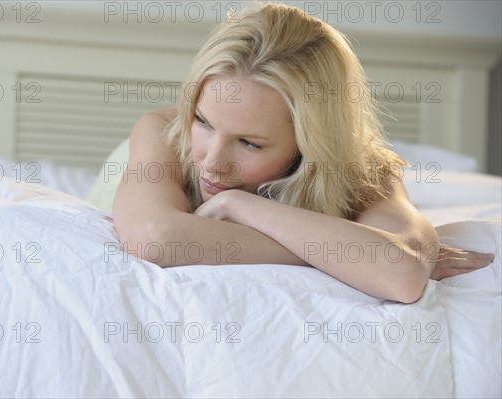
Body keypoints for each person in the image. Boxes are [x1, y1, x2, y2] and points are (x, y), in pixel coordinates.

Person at [113, 2, 494, 303]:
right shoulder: (162, 131)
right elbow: (153, 239)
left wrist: (238, 206)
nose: (212, 161)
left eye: (250, 143)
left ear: (309, 143)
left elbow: (402, 273)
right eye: (204, 121)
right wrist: (337, 254)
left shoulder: (363, 169)